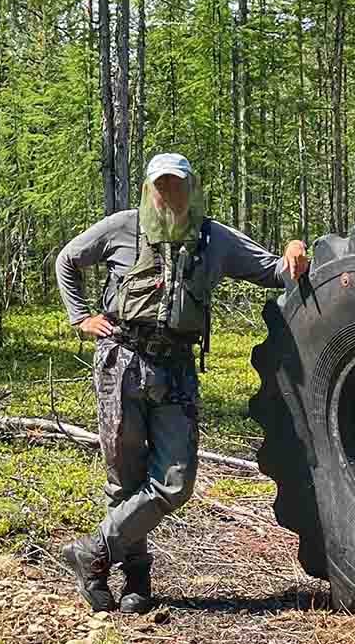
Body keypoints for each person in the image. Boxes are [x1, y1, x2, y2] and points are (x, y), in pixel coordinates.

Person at [53, 152, 309, 612]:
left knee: (174, 483)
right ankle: (133, 581)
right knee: (123, 478)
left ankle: (92, 552)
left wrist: (293, 248)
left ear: (190, 188)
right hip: (121, 364)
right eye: (160, 186)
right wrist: (81, 318)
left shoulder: (213, 238)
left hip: (176, 372)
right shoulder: (122, 227)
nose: (168, 194)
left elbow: (274, 271)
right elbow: (67, 260)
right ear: (149, 189)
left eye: (176, 185)